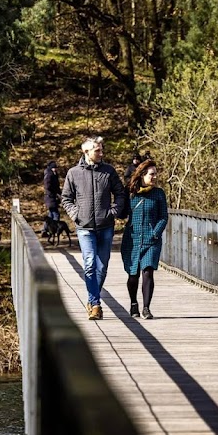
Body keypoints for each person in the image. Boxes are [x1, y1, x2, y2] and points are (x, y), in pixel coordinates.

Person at [61, 136, 127, 320]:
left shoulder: (108, 172)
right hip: (84, 227)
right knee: (89, 264)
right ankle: (95, 303)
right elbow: (66, 198)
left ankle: (92, 300)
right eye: (97, 150)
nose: (101, 153)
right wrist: (75, 214)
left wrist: (113, 211)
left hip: (105, 225)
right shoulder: (73, 173)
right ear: (86, 152)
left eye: (101, 149)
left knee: (102, 266)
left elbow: (120, 193)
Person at [120, 159, 168, 319]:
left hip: (151, 240)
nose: (154, 177)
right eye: (151, 174)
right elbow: (122, 212)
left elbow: (163, 216)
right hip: (132, 239)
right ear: (142, 175)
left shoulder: (159, 194)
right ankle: (134, 303)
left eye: (155, 174)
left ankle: (146, 308)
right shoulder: (130, 193)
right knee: (133, 275)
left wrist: (156, 233)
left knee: (148, 271)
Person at [41, 160, 61, 235]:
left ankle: (45, 230)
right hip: (51, 197)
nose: (56, 169)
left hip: (50, 197)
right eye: (55, 168)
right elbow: (49, 186)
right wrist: (56, 192)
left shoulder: (51, 174)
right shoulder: (50, 175)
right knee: (56, 214)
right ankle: (55, 230)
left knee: (51, 214)